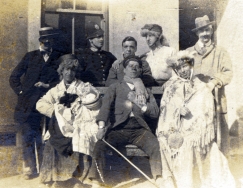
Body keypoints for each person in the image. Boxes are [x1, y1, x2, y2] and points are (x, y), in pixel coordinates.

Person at [157, 50, 235, 188]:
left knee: (204, 147)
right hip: (175, 129)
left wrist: (196, 126)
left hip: (197, 129)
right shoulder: (171, 87)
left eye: (185, 66)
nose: (182, 70)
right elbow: (165, 109)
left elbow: (206, 107)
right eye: (179, 68)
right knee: (172, 143)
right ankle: (177, 181)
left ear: (191, 65)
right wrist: (177, 111)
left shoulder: (200, 86)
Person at [88, 55, 163, 187]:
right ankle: (95, 179)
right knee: (100, 145)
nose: (133, 69)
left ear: (140, 70)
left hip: (139, 130)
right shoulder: (115, 87)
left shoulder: (146, 90)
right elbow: (105, 108)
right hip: (118, 129)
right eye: (130, 66)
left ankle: (158, 177)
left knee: (155, 145)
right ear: (124, 69)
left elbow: (155, 113)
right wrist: (101, 127)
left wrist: (140, 104)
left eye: (137, 67)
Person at [36, 54, 101, 188]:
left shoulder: (83, 87)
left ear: (76, 72)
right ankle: (54, 178)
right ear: (61, 71)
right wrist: (57, 112)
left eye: (72, 70)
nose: (69, 73)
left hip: (79, 124)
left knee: (80, 138)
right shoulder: (56, 90)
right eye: (66, 69)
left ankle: (78, 179)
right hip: (61, 126)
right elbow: (40, 104)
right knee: (52, 142)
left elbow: (93, 103)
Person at [9, 27, 63, 180]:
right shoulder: (30, 56)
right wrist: (21, 92)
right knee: (27, 136)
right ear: (41, 41)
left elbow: (61, 81)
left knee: (44, 137)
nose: (49, 44)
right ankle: (29, 168)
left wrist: (48, 86)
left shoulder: (58, 58)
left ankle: (45, 170)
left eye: (51, 41)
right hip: (28, 105)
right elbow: (14, 77)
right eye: (46, 41)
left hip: (47, 104)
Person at [186, 15, 233, 155]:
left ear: (212, 30)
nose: (205, 34)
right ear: (197, 33)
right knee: (198, 138)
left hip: (216, 100)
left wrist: (214, 82)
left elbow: (228, 73)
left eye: (207, 30)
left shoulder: (220, 52)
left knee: (218, 140)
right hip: (195, 104)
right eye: (201, 31)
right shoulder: (188, 52)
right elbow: (182, 75)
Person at [75, 21, 117, 86]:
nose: (102, 39)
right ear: (90, 39)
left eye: (102, 36)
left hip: (107, 89)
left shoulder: (108, 56)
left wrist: (118, 62)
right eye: (98, 37)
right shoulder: (83, 55)